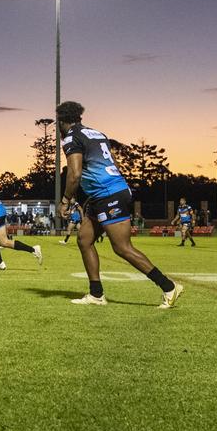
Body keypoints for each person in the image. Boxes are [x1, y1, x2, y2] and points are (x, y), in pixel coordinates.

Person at [56, 101, 182, 308]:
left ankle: (169, 287)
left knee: (122, 248)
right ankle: (96, 295)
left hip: (108, 194)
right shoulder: (97, 133)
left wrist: (65, 201)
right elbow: (109, 162)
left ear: (61, 121)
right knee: (84, 239)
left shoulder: (71, 137)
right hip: (104, 193)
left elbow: (74, 174)